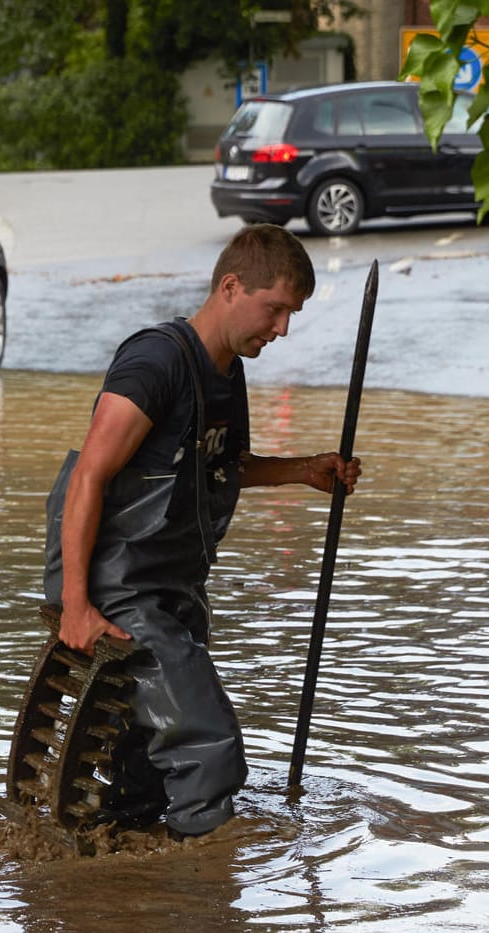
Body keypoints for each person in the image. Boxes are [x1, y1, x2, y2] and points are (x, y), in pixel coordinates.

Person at [50, 223, 362, 838]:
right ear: (230, 286)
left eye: (290, 315)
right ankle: (207, 899)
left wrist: (304, 471)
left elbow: (222, 467)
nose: (282, 329)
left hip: (174, 589)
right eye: (274, 310)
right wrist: (77, 605)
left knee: (141, 772)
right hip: (119, 589)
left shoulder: (225, 374)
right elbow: (89, 475)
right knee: (209, 748)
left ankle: (119, 884)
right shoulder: (155, 360)